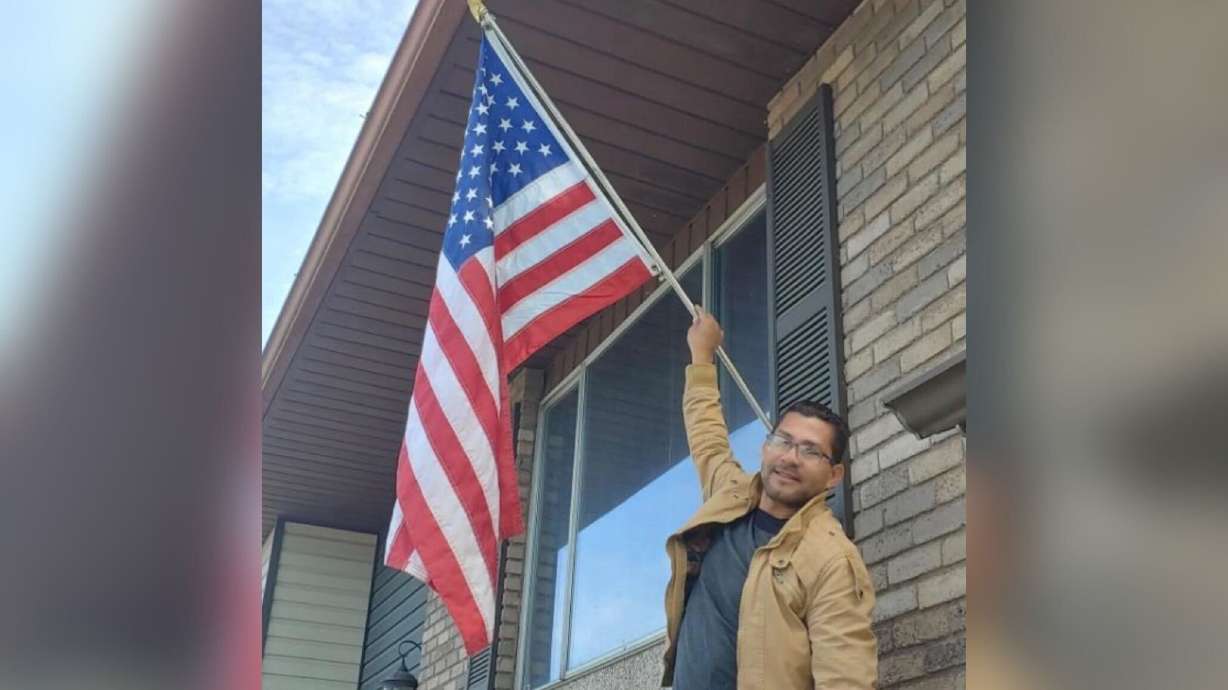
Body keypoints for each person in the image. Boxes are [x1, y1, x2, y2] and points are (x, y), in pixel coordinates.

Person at [661, 308, 877, 690]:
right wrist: (702, 357)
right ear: (765, 447)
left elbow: (846, 678)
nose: (791, 457)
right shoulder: (730, 496)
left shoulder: (832, 559)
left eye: (811, 451)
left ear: (834, 475)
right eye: (783, 441)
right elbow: (707, 436)